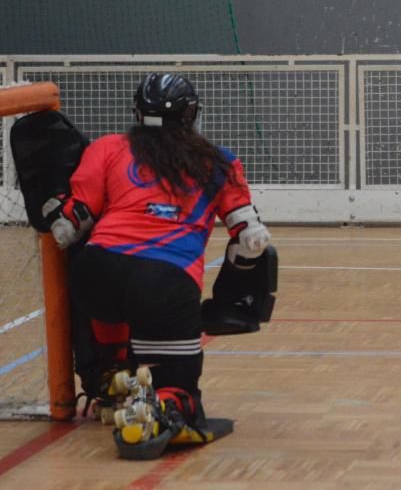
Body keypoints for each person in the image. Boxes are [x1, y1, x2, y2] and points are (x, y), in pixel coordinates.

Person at [43, 73, 271, 456]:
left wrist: (53, 207)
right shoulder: (217, 161)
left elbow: (70, 225)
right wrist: (238, 290)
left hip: (95, 274)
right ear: (191, 114)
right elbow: (249, 237)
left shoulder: (108, 147)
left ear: (138, 112)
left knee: (110, 281)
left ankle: (114, 375)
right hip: (164, 282)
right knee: (179, 391)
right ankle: (162, 404)